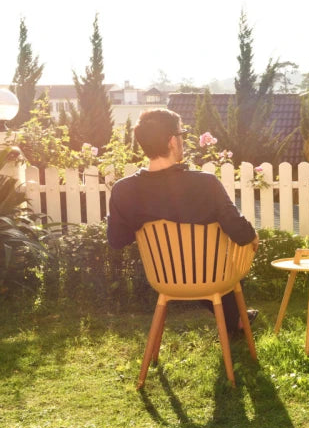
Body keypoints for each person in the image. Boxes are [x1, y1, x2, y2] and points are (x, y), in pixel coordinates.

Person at [107, 108, 259, 332]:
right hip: (211, 276)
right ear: (171, 141)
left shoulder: (123, 190)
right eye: (182, 135)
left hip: (164, 277)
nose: (183, 141)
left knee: (187, 260)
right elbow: (240, 233)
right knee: (216, 261)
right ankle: (234, 320)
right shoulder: (205, 183)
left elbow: (117, 240)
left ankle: (234, 319)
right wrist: (254, 236)